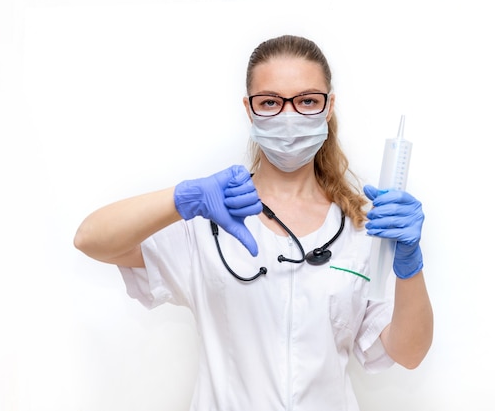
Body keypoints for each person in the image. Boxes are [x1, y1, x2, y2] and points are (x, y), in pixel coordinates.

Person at [74, 34, 433, 410]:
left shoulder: (362, 228)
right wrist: (183, 198)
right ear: (249, 109)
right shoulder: (208, 221)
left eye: (308, 100)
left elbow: (407, 352)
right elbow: (91, 239)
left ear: (328, 107)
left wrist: (410, 264)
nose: (290, 117)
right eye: (271, 102)